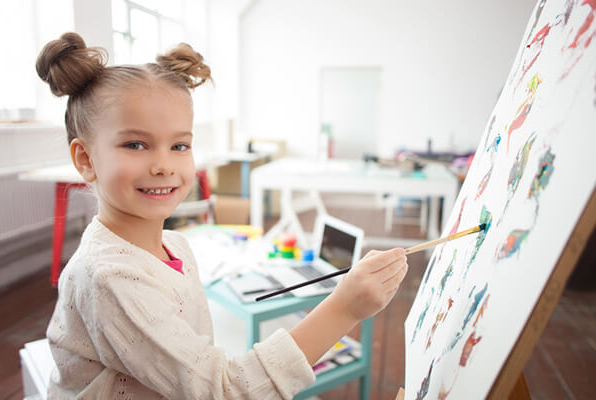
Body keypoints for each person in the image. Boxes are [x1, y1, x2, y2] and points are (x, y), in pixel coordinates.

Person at [36, 32, 409, 399]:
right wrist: (344, 308)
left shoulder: (176, 244)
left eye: (180, 145)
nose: (164, 165)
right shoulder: (108, 278)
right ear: (85, 159)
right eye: (136, 144)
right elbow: (223, 391)